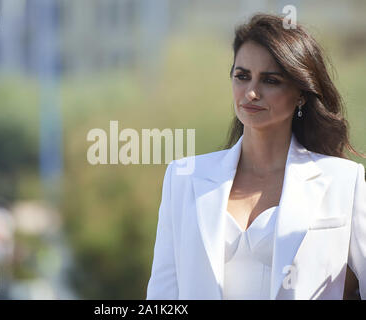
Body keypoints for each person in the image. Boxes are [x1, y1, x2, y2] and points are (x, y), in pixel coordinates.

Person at [146, 13, 366, 300]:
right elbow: (163, 295)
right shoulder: (183, 177)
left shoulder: (343, 182)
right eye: (242, 76)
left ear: (300, 93)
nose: (250, 93)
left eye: (270, 80)